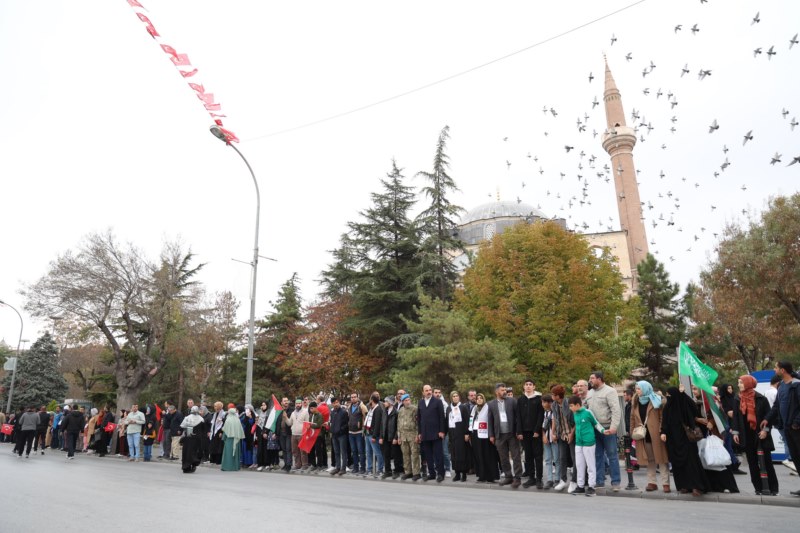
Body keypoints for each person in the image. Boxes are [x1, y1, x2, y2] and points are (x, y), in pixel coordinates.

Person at [732, 375, 779, 495]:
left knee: (767, 462)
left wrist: (765, 430)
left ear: (748, 384)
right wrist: (735, 432)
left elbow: (768, 416)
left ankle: (773, 488)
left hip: (760, 434)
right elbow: (736, 418)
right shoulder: (738, 399)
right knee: (752, 462)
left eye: (741, 383)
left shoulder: (760, 398)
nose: (739, 385)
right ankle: (758, 488)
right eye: (739, 383)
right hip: (746, 435)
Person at [660, 387, 708, 497]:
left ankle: (697, 486)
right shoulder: (668, 407)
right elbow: (665, 422)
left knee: (691, 462)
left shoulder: (684, 405)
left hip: (686, 438)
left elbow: (693, 407)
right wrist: (663, 432)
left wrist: (683, 394)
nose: (668, 397)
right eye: (666, 395)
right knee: (678, 463)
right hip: (673, 440)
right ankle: (684, 485)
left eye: (669, 395)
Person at [764, 361, 800, 495]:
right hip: (787, 428)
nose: (774, 369)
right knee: (796, 458)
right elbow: (776, 407)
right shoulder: (781, 386)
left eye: (776, 367)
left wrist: (796, 423)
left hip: (796, 428)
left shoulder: (796, 385)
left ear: (783, 370)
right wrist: (767, 419)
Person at [630, 381, 670, 493]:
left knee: (661, 458)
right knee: (649, 459)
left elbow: (662, 417)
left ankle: (665, 483)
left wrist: (662, 430)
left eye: (639, 388)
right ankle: (652, 482)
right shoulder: (636, 402)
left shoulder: (656, 400)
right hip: (642, 435)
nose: (637, 391)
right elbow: (632, 418)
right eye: (636, 389)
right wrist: (632, 432)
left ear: (646, 388)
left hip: (656, 434)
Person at [586, 371, 621, 490]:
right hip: (595, 429)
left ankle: (615, 482)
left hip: (607, 428)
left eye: (592, 378)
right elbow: (586, 409)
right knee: (597, 455)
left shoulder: (610, 391)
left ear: (599, 379)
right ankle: (599, 481)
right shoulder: (589, 393)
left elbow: (616, 410)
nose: (590, 380)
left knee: (612, 455)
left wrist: (614, 427)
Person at [569, 395, 608, 496]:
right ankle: (580, 486)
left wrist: (603, 431)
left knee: (590, 465)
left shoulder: (588, 412)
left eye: (571, 406)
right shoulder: (575, 413)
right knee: (579, 465)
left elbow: (596, 423)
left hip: (589, 442)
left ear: (578, 405)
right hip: (578, 443)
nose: (570, 408)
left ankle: (591, 487)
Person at [487, 383, 522, 488]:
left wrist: (518, 431)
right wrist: (491, 435)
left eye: (505, 390)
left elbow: (518, 417)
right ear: (497, 392)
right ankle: (508, 476)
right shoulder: (491, 404)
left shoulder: (512, 401)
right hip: (499, 435)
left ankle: (517, 478)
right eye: (502, 390)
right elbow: (490, 420)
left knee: (516, 456)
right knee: (503, 457)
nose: (505, 392)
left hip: (512, 434)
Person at [517, 378, 544, 488]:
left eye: (530, 384)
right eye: (526, 384)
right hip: (524, 432)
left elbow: (540, 415)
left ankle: (539, 479)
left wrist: (537, 430)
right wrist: (519, 431)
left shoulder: (538, 399)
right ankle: (531, 478)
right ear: (524, 387)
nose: (528, 386)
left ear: (534, 387)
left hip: (535, 432)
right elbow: (518, 416)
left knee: (538, 456)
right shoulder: (520, 399)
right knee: (528, 456)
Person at [418, 384, 446, 482]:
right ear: (423, 392)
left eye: (430, 390)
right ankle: (432, 474)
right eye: (426, 390)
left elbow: (442, 417)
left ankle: (441, 474)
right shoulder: (420, 403)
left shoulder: (438, 402)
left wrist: (442, 431)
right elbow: (419, 419)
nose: (429, 392)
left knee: (438, 455)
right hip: (425, 434)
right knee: (428, 455)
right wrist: (420, 432)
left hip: (436, 433)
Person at [469, 393, 498, 483]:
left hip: (486, 435)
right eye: (477, 398)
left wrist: (492, 434)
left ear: (484, 399)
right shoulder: (474, 409)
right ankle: (481, 475)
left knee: (487, 455)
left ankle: (490, 476)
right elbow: (471, 420)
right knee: (478, 455)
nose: (479, 400)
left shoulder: (487, 407)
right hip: (476, 434)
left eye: (481, 398)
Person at [550, 385, 574, 492]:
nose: (551, 396)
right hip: (561, 435)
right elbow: (554, 418)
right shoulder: (554, 405)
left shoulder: (568, 403)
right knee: (562, 458)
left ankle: (574, 481)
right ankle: (563, 480)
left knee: (574, 459)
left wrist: (572, 434)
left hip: (572, 434)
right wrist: (553, 432)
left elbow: (575, 420)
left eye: (553, 394)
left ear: (558, 396)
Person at [718, 383, 745, 474]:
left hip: (734, 424)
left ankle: (734, 464)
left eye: (731, 388)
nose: (730, 390)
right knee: (728, 445)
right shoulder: (723, 399)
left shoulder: (734, 398)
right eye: (728, 388)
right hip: (727, 424)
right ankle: (733, 463)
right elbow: (729, 413)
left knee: (729, 445)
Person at [446, 391, 471, 482]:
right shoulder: (449, 408)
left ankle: (464, 474)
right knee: (454, 455)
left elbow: (467, 421)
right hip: (452, 435)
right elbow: (447, 421)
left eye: (457, 396)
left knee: (462, 454)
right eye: (453, 396)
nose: (455, 397)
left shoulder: (463, 407)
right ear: (451, 398)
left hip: (461, 434)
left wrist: (466, 433)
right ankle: (457, 473)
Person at [397, 394, 421, 481]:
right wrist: (399, 437)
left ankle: (416, 472)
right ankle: (408, 472)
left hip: (412, 434)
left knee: (414, 454)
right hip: (403, 435)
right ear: (402, 402)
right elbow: (399, 424)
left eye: (408, 400)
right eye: (405, 400)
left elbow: (418, 423)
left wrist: (418, 434)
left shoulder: (414, 409)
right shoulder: (401, 410)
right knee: (405, 455)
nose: (407, 402)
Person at [541, 394, 560, 489]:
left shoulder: (554, 412)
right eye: (543, 402)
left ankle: (557, 478)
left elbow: (554, 423)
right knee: (548, 459)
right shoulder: (544, 413)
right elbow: (543, 426)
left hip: (554, 438)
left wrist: (552, 435)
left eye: (545, 402)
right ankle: (549, 479)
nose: (543, 404)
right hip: (546, 439)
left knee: (556, 459)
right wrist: (544, 436)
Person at [364, 392, 385, 478]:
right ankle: (369, 469)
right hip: (368, 433)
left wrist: (374, 436)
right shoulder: (371, 408)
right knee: (368, 452)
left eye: (370, 400)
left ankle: (380, 469)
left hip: (373, 435)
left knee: (377, 452)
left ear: (372, 400)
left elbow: (377, 424)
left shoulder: (378, 409)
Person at [180, 406, 205, 473]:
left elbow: (182, 426)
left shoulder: (187, 418)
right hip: (196, 439)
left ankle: (186, 467)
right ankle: (193, 464)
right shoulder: (201, 419)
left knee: (187, 452)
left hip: (188, 438)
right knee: (194, 452)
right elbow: (203, 429)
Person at [348, 392, 368, 475]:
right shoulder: (349, 407)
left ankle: (362, 468)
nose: (353, 398)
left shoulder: (362, 407)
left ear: (357, 397)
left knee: (361, 451)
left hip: (359, 432)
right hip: (351, 432)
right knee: (354, 451)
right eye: (352, 397)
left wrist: (364, 427)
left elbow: (366, 417)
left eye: (354, 397)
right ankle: (355, 467)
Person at [329, 397, 349, 476]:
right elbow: (331, 423)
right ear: (332, 404)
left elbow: (346, 424)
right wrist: (331, 429)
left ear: (339, 402)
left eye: (337, 402)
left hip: (342, 435)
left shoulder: (343, 412)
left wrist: (340, 430)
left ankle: (343, 468)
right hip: (334, 435)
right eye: (334, 403)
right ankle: (337, 467)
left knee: (343, 452)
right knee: (336, 452)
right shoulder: (332, 412)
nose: (335, 404)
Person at [381, 396, 400, 479]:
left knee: (396, 455)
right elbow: (382, 425)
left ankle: (396, 471)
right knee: (386, 455)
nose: (384, 403)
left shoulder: (396, 412)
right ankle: (387, 471)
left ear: (390, 403)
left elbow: (398, 427)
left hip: (393, 437)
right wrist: (381, 437)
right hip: (385, 437)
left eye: (386, 402)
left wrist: (396, 437)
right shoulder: (384, 411)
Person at [288, 398, 309, 471]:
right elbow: (289, 423)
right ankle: (297, 465)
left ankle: (305, 465)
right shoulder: (293, 413)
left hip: (301, 434)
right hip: (294, 434)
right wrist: (285, 417)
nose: (298, 405)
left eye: (299, 403)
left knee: (303, 451)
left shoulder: (305, 412)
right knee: (295, 451)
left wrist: (305, 434)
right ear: (295, 405)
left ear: (301, 404)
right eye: (297, 404)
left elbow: (307, 423)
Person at [221, 407, 244, 471]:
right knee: (235, 454)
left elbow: (225, 431)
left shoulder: (228, 420)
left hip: (229, 439)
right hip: (236, 439)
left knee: (228, 453)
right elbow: (240, 430)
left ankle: (227, 467)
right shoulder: (237, 420)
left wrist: (224, 438)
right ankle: (235, 467)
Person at [279, 397, 294, 472]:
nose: (286, 402)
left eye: (287, 401)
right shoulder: (279, 411)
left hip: (288, 432)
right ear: (281, 403)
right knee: (284, 449)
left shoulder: (291, 410)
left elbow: (290, 421)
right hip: (281, 432)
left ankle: (289, 464)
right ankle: (285, 463)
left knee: (288, 449)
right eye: (284, 401)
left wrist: (286, 415)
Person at [240, 404, 256, 468]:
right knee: (244, 448)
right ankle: (244, 461)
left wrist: (250, 417)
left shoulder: (253, 415)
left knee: (249, 449)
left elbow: (252, 423)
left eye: (247, 409)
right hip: (245, 434)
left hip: (250, 435)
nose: (246, 410)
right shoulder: (244, 415)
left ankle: (249, 462)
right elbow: (242, 421)